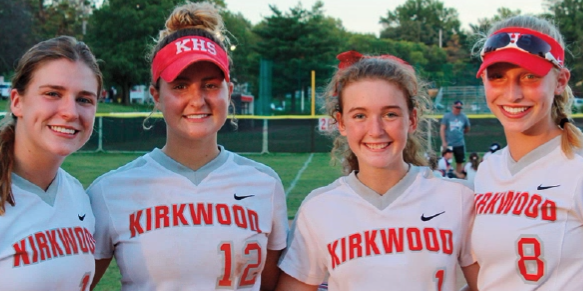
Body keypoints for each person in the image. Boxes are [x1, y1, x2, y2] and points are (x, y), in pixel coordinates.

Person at [87, 2, 288, 290]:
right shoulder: (109, 192)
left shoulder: (265, 184)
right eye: (180, 86)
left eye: (210, 85)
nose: (197, 100)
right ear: (156, 96)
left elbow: (270, 285)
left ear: (229, 92)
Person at [276, 50, 478, 291]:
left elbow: (487, 284)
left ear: (412, 119)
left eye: (390, 114)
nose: (375, 129)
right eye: (359, 115)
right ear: (341, 123)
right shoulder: (319, 208)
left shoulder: (457, 198)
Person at [472, 15, 583, 290]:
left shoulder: (577, 168)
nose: (513, 94)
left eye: (530, 76)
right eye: (497, 77)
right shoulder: (488, 169)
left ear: (560, 81)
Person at [0, 36, 102, 290]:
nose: (70, 111)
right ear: (17, 102)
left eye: (84, 99)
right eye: (52, 93)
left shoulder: (77, 194)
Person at [440, 100, 471, 174]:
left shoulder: (463, 117)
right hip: (449, 143)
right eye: (457, 107)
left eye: (459, 108)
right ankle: (446, 175)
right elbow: (442, 129)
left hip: (459, 143)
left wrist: (462, 133)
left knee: (459, 161)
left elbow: (467, 128)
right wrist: (444, 141)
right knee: (446, 161)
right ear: (453, 107)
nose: (458, 109)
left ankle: (458, 176)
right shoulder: (447, 116)